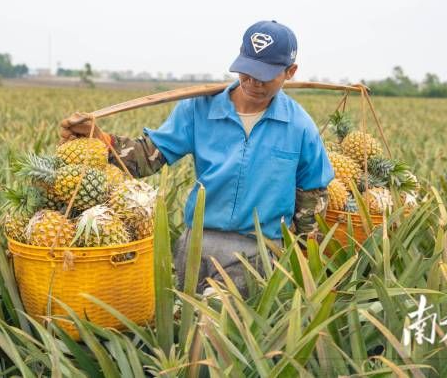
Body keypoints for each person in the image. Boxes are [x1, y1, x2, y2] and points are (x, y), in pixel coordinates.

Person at [60, 20, 334, 296]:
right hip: (197, 245)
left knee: (217, 327)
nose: (253, 83)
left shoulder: (299, 126)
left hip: (258, 250)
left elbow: (312, 195)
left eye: (265, 76)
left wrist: (304, 262)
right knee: (184, 326)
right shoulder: (199, 108)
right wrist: (100, 139)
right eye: (247, 72)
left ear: (290, 72)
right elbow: (148, 157)